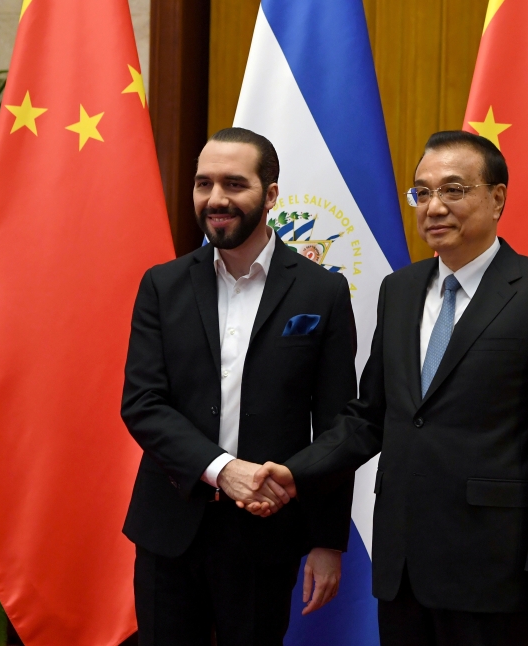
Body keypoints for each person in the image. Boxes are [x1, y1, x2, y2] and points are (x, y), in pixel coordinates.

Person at [252, 130, 528, 645]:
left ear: (497, 197)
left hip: (493, 567)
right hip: (404, 565)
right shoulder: (401, 290)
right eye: (422, 192)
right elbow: (369, 417)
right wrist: (294, 471)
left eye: (453, 190)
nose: (434, 207)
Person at [120, 127, 357, 645]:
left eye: (234, 184)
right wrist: (223, 470)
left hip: (266, 536)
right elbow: (143, 403)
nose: (216, 199)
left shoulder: (323, 290)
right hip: (169, 528)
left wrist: (326, 541)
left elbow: (339, 425)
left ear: (271, 194)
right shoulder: (163, 284)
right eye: (204, 184)